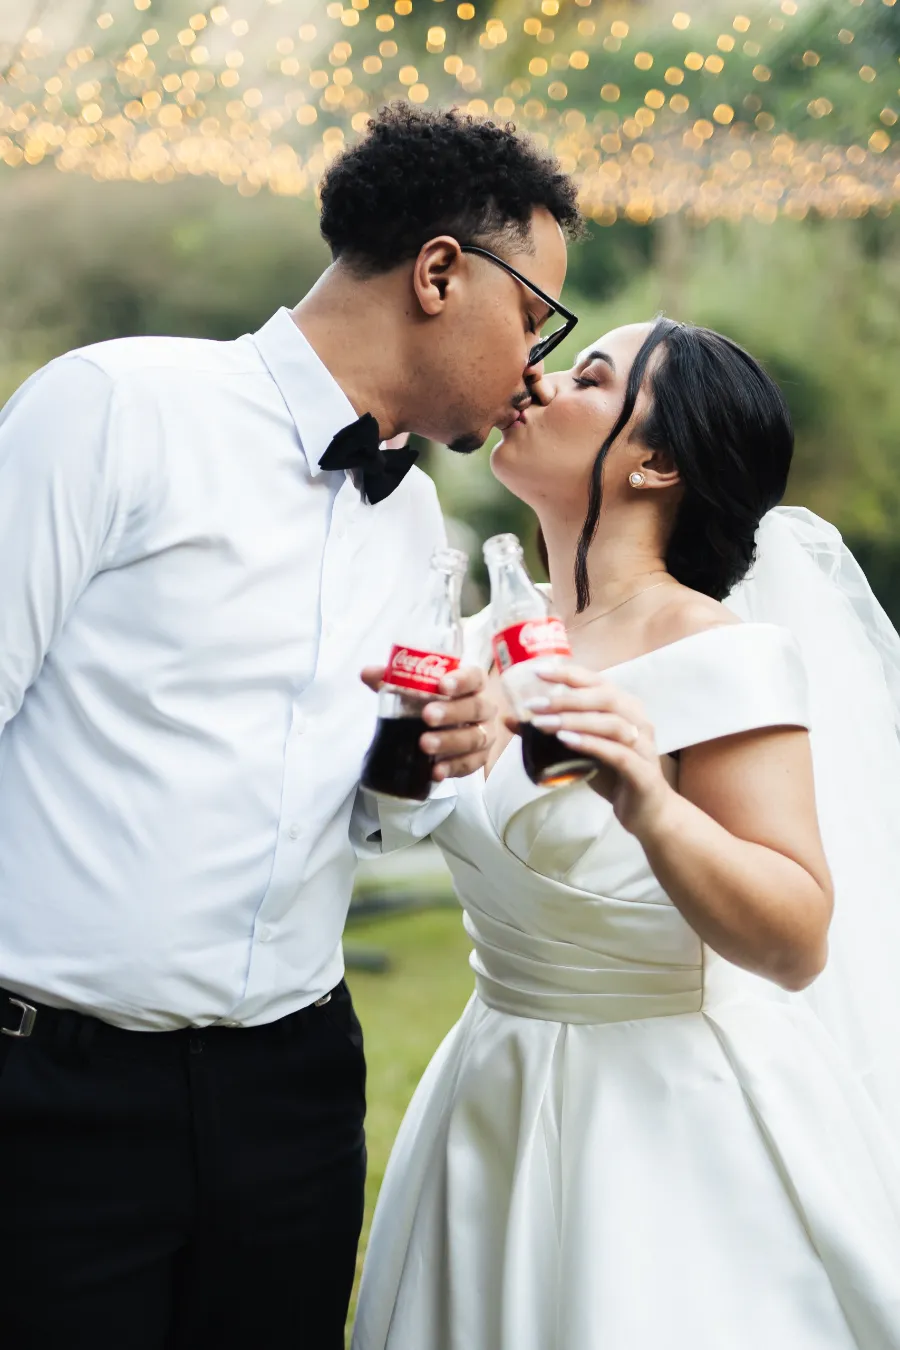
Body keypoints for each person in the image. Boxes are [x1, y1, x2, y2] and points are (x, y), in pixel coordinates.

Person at [0, 106, 582, 1349]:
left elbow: (376, 821)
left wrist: (429, 752)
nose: (537, 365)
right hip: (53, 1094)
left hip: (296, 1090)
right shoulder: (111, 408)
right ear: (439, 272)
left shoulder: (415, 521)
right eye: (535, 314)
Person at [352, 319, 900, 1349]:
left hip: (669, 1121)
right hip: (491, 1092)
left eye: (588, 377)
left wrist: (648, 799)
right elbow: (386, 827)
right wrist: (398, 767)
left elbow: (795, 939)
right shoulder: (469, 643)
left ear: (655, 462)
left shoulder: (720, 654)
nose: (537, 380)